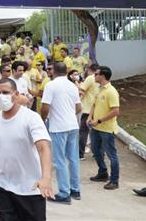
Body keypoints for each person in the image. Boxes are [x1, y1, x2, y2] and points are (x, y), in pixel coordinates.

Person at [0, 78, 53, 221]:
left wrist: (46, 177)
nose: (1, 96)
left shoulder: (31, 118)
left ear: (16, 94)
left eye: (6, 92)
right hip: (4, 187)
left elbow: (43, 148)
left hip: (30, 189)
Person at [41, 62, 82, 204]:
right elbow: (78, 107)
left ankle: (64, 193)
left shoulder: (51, 85)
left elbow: (45, 107)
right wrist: (68, 113)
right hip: (72, 125)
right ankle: (75, 189)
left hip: (58, 126)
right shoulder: (72, 86)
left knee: (59, 160)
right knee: (73, 158)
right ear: (67, 71)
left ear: (54, 72)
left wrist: (43, 119)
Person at [87, 66, 120, 190]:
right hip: (96, 127)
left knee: (112, 154)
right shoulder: (99, 89)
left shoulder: (111, 91)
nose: (94, 76)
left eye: (96, 74)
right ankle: (102, 173)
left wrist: (99, 120)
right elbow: (94, 104)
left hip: (107, 129)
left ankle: (114, 180)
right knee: (95, 150)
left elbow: (115, 111)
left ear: (103, 76)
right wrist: (90, 117)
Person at [79, 64, 99, 160]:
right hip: (98, 109)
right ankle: (97, 153)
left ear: (89, 70)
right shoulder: (101, 79)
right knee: (96, 132)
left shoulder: (90, 78)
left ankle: (80, 154)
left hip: (87, 108)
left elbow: (82, 90)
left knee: (83, 132)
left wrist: (77, 84)